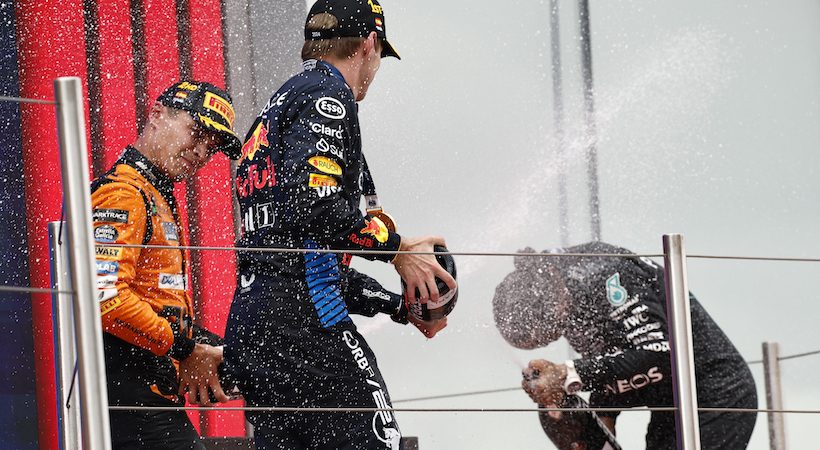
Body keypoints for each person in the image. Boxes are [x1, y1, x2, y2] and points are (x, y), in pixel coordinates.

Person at [223, 1, 457, 448]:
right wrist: (399, 249)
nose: (375, 69)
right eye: (380, 56)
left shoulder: (280, 103)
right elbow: (315, 206)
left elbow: (306, 258)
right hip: (305, 326)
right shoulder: (327, 96)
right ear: (369, 44)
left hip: (255, 326)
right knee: (378, 439)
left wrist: (396, 306)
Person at [91, 80, 242, 450]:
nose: (201, 151)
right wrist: (185, 348)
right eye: (197, 132)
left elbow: (155, 303)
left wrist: (217, 351)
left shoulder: (153, 191)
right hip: (127, 398)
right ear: (157, 115)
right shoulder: (125, 192)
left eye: (212, 146)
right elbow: (105, 299)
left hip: (147, 394)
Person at [493, 241, 757, 450]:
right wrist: (598, 423)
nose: (554, 338)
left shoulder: (606, 272)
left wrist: (567, 373)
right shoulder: (562, 284)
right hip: (669, 401)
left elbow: (658, 355)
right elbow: (615, 358)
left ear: (553, 304)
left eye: (550, 333)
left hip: (716, 394)